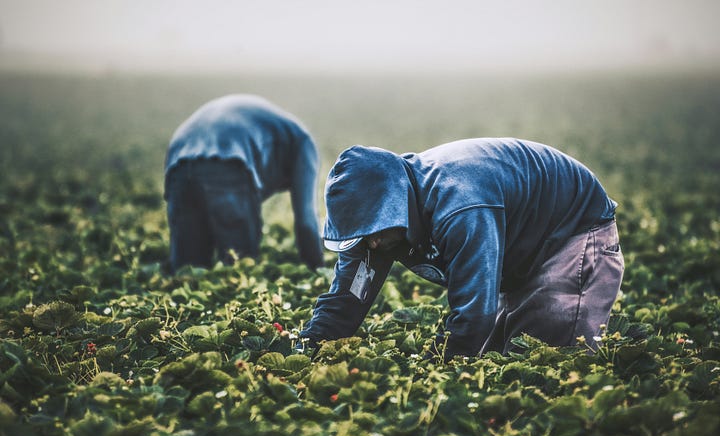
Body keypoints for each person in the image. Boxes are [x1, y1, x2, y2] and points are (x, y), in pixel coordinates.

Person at [300, 138, 624, 360]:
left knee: (549, 358)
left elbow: (474, 314)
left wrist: (433, 367)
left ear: (394, 206)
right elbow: (347, 299)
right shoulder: (377, 232)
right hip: (518, 245)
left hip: (572, 232)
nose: (370, 244)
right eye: (361, 235)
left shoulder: (460, 204)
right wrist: (307, 351)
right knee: (502, 357)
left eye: (374, 231)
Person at [164, 94, 323, 272]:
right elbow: (306, 221)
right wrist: (317, 269)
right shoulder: (304, 144)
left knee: (188, 271)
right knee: (239, 267)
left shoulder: (280, 133)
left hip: (178, 159)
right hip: (228, 158)